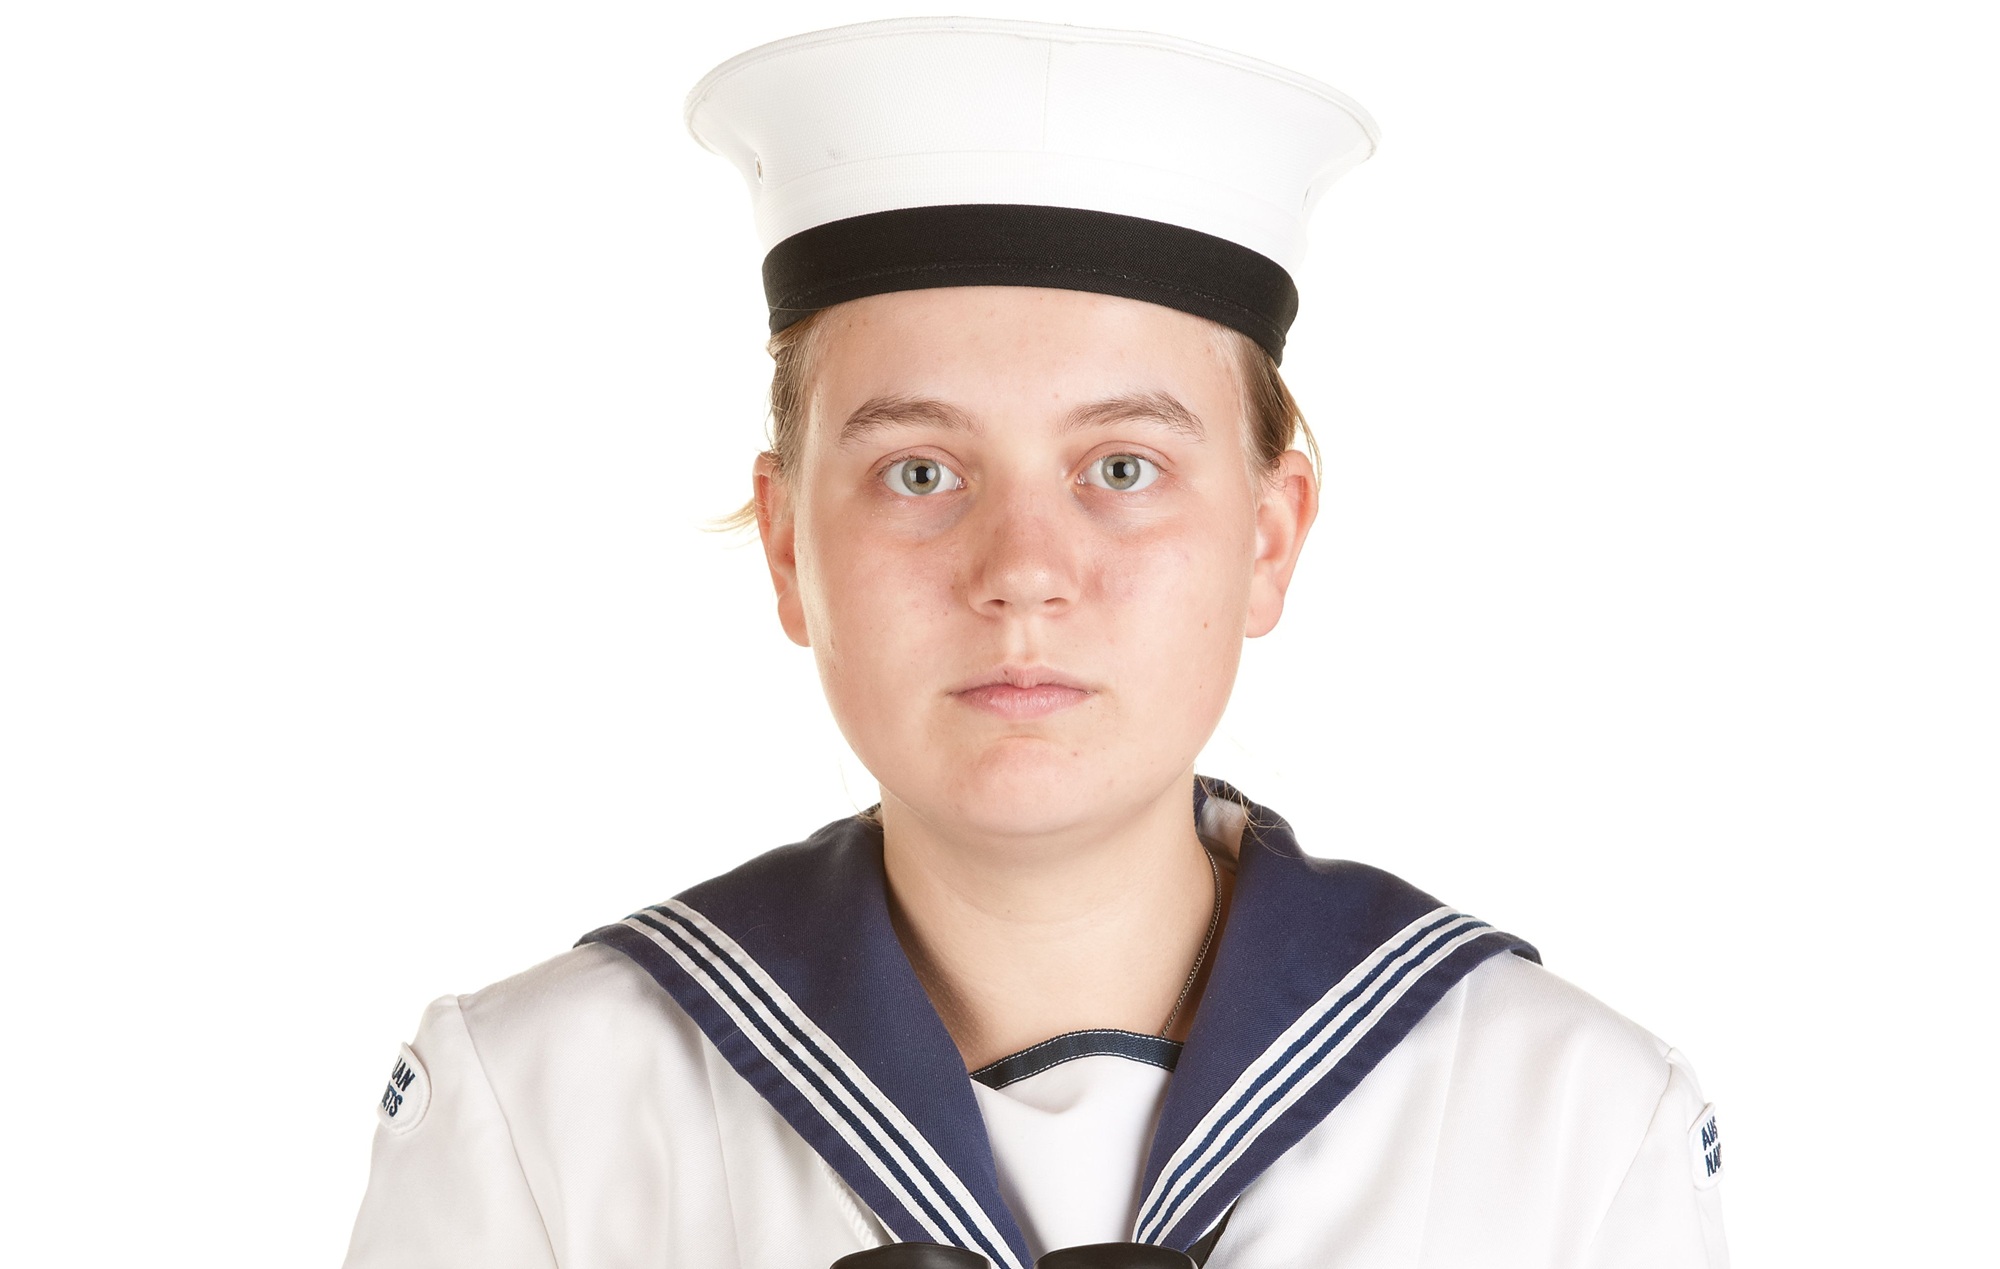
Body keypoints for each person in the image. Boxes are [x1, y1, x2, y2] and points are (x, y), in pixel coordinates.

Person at [342, 18, 1727, 1268]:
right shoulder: (540, 1118)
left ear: (1268, 534)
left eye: (1122, 468)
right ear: (785, 546)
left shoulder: (1567, 1128)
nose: (1022, 575)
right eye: (921, 472)